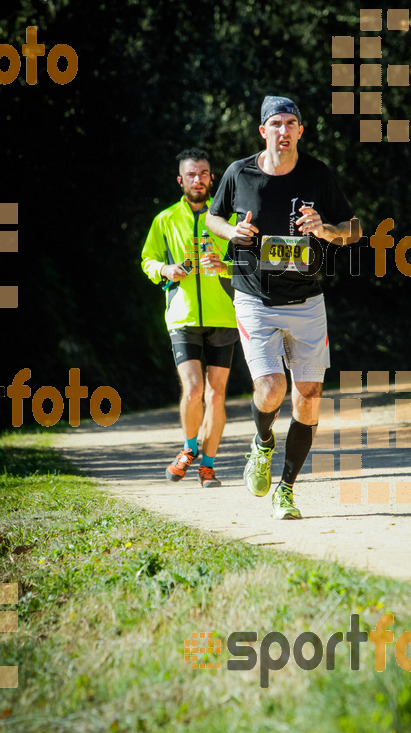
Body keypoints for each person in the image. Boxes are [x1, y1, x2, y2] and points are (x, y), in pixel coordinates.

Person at [206, 96, 360, 518]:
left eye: (292, 123)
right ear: (263, 131)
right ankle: (262, 443)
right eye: (276, 123)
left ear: (301, 131)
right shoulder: (240, 173)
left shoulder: (317, 174)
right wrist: (231, 231)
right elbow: (212, 218)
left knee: (308, 397)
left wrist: (325, 229)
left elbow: (355, 228)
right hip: (255, 298)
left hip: (307, 300)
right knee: (271, 388)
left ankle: (286, 490)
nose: (284, 130)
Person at [141, 147, 239, 488]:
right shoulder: (165, 220)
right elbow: (148, 261)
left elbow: (249, 264)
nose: (198, 180)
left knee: (215, 394)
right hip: (182, 317)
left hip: (224, 316)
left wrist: (224, 267)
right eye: (192, 174)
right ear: (181, 180)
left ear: (213, 178)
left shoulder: (229, 221)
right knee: (194, 388)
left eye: (204, 174)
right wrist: (166, 269)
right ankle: (189, 447)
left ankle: (208, 465)